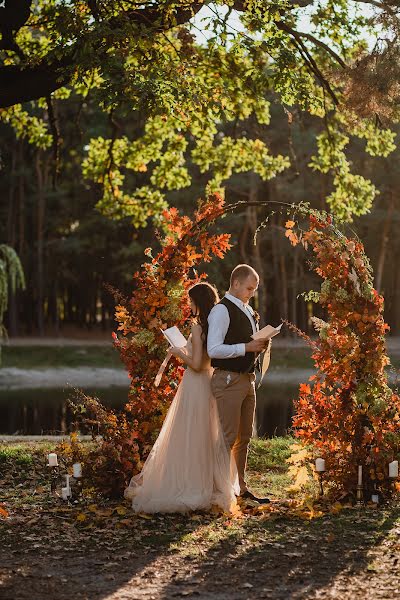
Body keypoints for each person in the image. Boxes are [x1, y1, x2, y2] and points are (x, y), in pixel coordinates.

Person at [124, 282, 239, 513]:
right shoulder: (215, 325)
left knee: (189, 433)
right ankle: (209, 481)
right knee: (206, 434)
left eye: (190, 301)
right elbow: (204, 359)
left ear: (198, 302)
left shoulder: (197, 328)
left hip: (196, 384)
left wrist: (178, 352)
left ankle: (190, 484)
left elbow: (196, 364)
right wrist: (184, 350)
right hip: (210, 383)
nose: (189, 305)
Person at [207, 264, 270, 505]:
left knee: (244, 437)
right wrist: (247, 347)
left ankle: (240, 487)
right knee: (227, 437)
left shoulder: (246, 309)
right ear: (235, 283)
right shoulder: (221, 311)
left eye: (254, 289)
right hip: (228, 380)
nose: (252, 293)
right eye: (249, 288)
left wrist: (259, 343)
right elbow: (213, 349)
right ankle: (218, 491)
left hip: (247, 380)